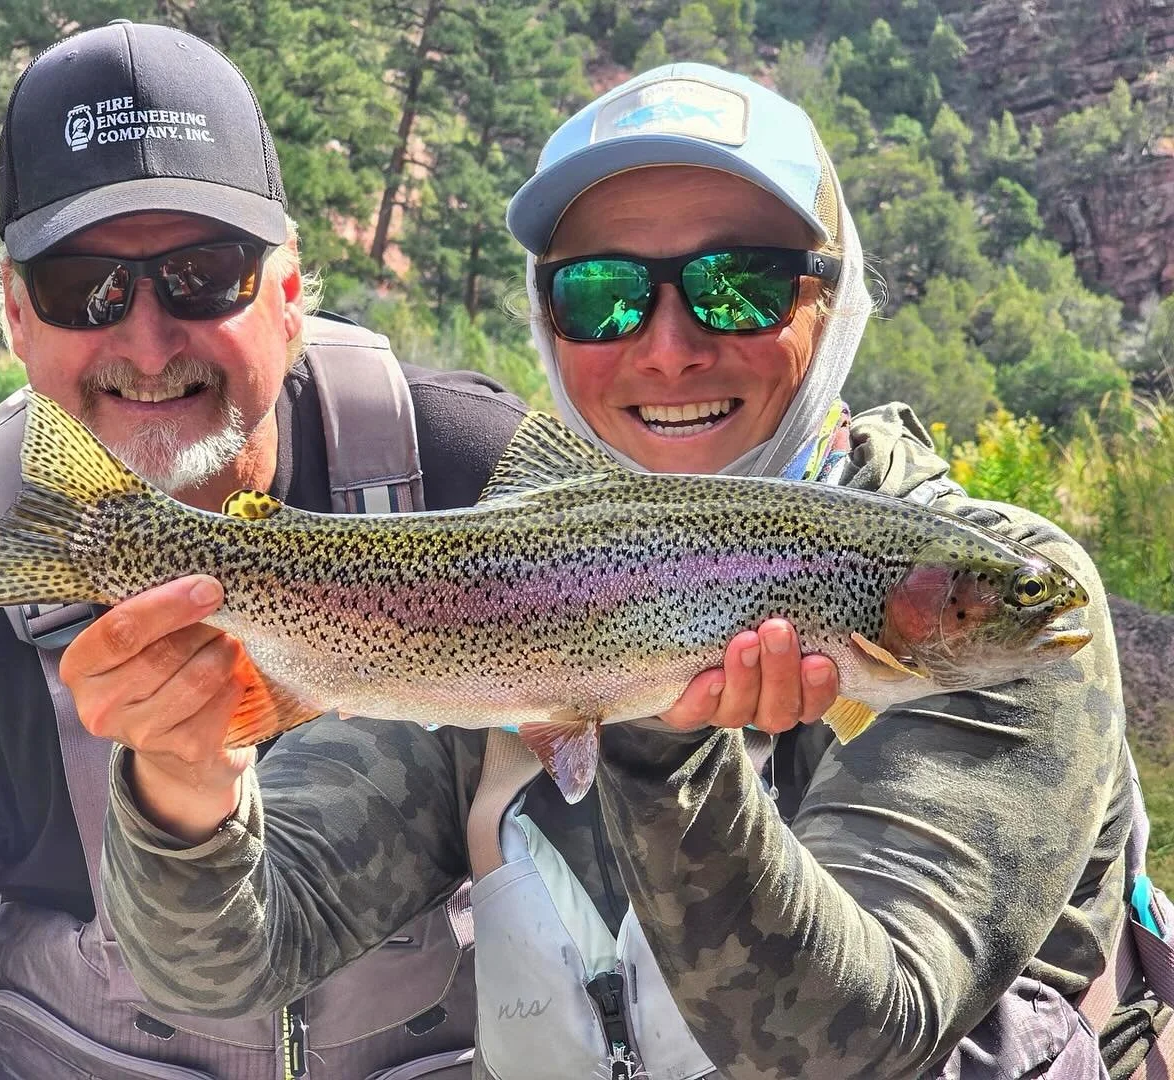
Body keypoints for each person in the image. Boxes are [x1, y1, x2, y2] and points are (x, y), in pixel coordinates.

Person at [98, 64, 1163, 1080]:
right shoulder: (504, 585)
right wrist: (184, 784)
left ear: (830, 306)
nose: (667, 349)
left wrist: (657, 736)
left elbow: (847, 1050)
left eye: (738, 286)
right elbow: (223, 970)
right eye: (603, 293)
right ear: (547, 322)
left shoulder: (1009, 609)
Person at [0, 20, 537, 1079]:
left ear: (291, 296)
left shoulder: (468, 480)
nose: (148, 339)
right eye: (88, 287)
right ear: (16, 317)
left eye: (205, 274)